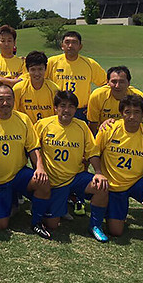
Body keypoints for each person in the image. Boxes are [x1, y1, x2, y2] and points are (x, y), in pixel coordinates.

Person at [96, 94, 143, 248]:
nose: (132, 116)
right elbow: (93, 154)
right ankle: (110, 210)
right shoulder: (109, 129)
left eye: (137, 112)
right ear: (121, 113)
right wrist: (98, 173)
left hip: (136, 182)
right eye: (127, 112)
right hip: (113, 186)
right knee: (116, 231)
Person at [0, 84, 52, 239]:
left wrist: (39, 167)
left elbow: (33, 148)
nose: (5, 103)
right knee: (1, 225)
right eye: (1, 99)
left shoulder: (23, 119)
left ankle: (36, 222)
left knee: (43, 183)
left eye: (9, 99)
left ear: (14, 100)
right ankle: (0, 203)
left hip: (19, 174)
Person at [35, 91, 109, 242]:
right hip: (54, 181)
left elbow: (92, 152)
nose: (67, 110)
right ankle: (59, 205)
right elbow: (33, 148)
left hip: (76, 177)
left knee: (102, 186)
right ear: (55, 108)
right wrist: (39, 167)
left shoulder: (82, 126)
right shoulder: (43, 124)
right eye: (63, 106)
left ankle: (95, 226)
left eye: (71, 106)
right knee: (52, 225)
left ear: (76, 109)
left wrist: (98, 172)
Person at [46, 31, 106, 121]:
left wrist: (92, 105)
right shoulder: (52, 62)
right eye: (67, 42)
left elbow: (105, 83)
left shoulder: (90, 63)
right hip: (58, 109)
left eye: (74, 42)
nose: (70, 45)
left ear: (80, 46)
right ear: (62, 45)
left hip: (81, 111)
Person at [87, 66, 143, 135]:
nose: (117, 86)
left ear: (128, 83)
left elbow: (142, 122)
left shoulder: (138, 96)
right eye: (114, 82)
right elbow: (93, 124)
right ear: (108, 82)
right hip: (105, 133)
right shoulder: (97, 96)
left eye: (122, 82)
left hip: (130, 133)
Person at [13, 50, 60, 124]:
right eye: (33, 69)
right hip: (26, 128)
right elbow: (14, 113)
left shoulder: (54, 89)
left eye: (40, 69)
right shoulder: (18, 89)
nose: (37, 73)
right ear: (27, 70)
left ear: (45, 69)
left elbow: (58, 115)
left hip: (48, 128)